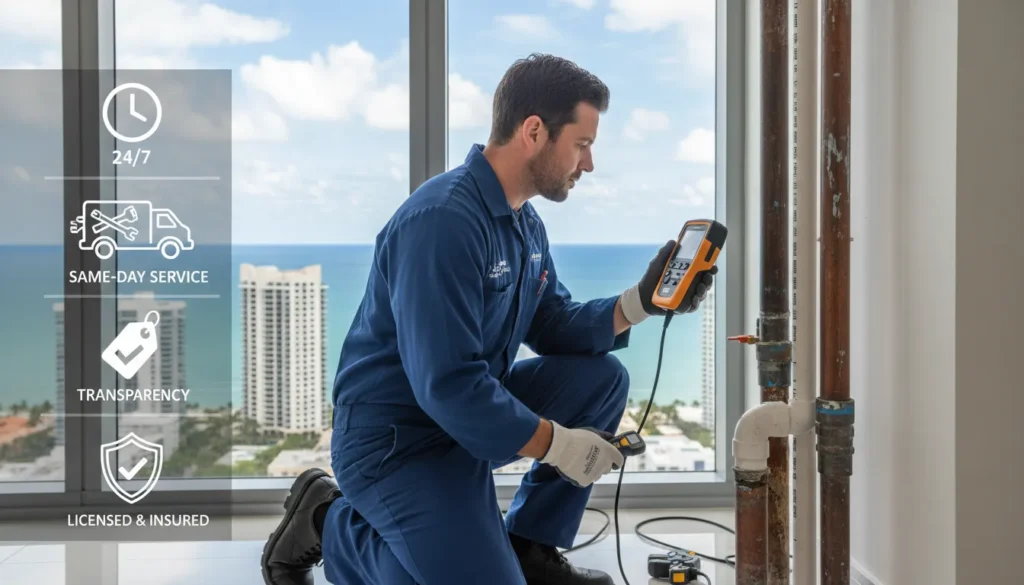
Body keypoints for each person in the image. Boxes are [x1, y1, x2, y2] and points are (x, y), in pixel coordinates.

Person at [260, 53, 715, 585]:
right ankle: (328, 520)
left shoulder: (525, 223)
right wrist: (560, 445)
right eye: (582, 144)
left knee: (602, 378)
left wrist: (641, 301)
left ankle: (529, 547)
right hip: (396, 443)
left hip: (462, 425)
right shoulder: (442, 221)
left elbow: (552, 323)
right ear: (534, 131)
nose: (589, 164)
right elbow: (449, 385)